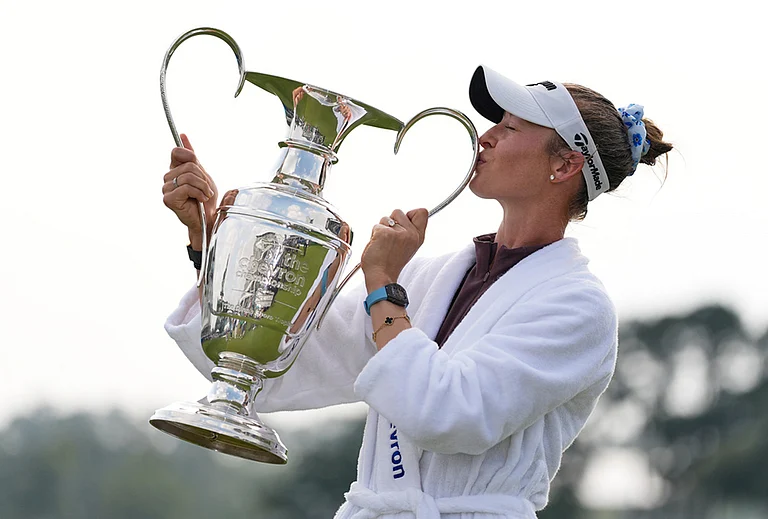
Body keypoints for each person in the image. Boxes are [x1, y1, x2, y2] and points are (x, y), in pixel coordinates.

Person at [161, 65, 673, 518]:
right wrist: (209, 240)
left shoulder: (579, 307)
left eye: (510, 127)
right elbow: (287, 363)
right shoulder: (434, 277)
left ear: (564, 166)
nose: (486, 137)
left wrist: (383, 283)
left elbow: (450, 415)